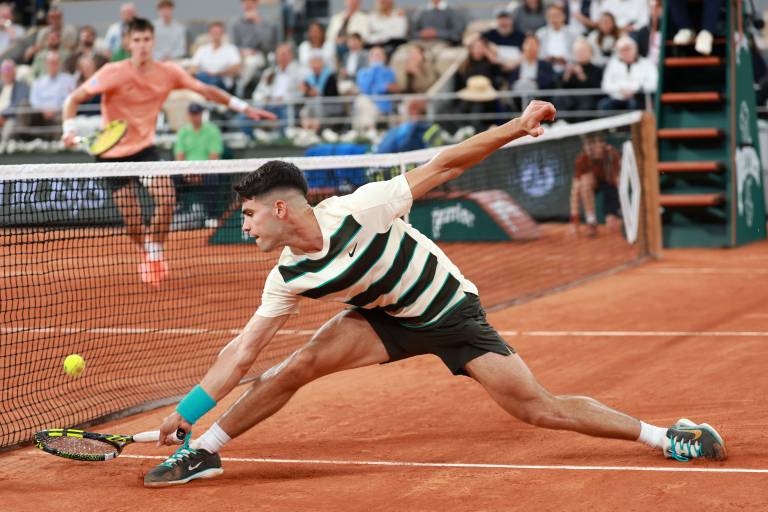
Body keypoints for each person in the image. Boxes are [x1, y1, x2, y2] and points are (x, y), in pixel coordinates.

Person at [143, 99, 727, 488]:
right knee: (297, 365)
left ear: (279, 208)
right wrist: (186, 413)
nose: (243, 226)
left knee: (537, 408)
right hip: (379, 316)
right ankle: (206, 450)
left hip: (448, 310)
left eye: (248, 215)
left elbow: (445, 164)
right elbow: (241, 354)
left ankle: (664, 435)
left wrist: (518, 127)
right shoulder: (285, 277)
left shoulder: (362, 209)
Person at [61, 17, 275, 287]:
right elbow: (73, 99)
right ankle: (147, 250)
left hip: (144, 150)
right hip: (110, 155)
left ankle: (155, 253)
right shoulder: (112, 71)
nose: (142, 45)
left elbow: (205, 89)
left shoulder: (168, 72)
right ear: (128, 43)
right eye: (136, 40)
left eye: (146, 39)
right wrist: (68, 129)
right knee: (133, 222)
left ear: (153, 41)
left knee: (166, 197)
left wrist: (244, 108)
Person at [173, 102, 225, 228]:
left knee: (212, 178)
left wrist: (201, 174)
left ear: (202, 114)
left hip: (207, 171)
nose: (195, 117)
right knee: (172, 177)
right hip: (187, 172)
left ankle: (211, 216)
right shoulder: (183, 132)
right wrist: (186, 172)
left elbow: (214, 157)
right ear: (189, 115)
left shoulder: (212, 130)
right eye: (192, 114)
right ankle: (175, 209)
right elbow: (179, 156)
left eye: (197, 114)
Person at [569, 132, 621, 236]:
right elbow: (575, 192)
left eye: (593, 143)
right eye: (587, 144)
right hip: (594, 184)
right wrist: (574, 224)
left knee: (612, 224)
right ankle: (591, 221)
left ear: (601, 143)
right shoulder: (581, 159)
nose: (590, 148)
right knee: (581, 184)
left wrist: (614, 211)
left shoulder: (612, 154)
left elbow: (618, 182)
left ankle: (617, 217)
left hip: (611, 184)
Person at [227, 0, 278, 96]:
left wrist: (257, 24)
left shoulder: (265, 23)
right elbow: (232, 46)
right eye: (245, 3)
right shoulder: (236, 23)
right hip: (239, 55)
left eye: (251, 2)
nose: (248, 5)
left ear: (256, 4)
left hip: (258, 55)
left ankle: (240, 88)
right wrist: (242, 52)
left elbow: (267, 45)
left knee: (251, 62)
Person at [598, 35, 657, 111]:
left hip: (638, 98)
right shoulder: (612, 64)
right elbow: (605, 85)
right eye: (622, 50)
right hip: (617, 98)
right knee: (604, 105)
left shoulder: (647, 64)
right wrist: (621, 89)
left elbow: (654, 84)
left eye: (628, 49)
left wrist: (635, 89)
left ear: (635, 48)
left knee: (634, 105)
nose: (625, 52)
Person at [28, 51, 75, 140]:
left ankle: (59, 148)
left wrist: (54, 110)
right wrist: (43, 110)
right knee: (25, 107)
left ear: (60, 64)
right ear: (46, 64)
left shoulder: (69, 80)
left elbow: (69, 100)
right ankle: (18, 143)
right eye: (50, 63)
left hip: (58, 112)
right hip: (40, 113)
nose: (52, 65)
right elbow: (33, 101)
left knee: (62, 118)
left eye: (55, 63)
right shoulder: (38, 82)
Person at [191, 21, 241, 91]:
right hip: (204, 80)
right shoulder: (202, 49)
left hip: (222, 82)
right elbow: (193, 67)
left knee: (213, 82)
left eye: (218, 32)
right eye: (214, 32)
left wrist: (216, 74)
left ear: (223, 34)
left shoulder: (231, 49)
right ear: (209, 33)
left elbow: (236, 68)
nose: (216, 35)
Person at [557, 38, 603, 112]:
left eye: (583, 51)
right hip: (570, 98)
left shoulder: (597, 70)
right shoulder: (569, 68)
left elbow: (596, 91)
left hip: (588, 100)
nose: (580, 54)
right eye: (578, 52)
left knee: (586, 103)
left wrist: (581, 75)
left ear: (590, 52)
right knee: (560, 99)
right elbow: (561, 88)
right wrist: (567, 75)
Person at [535, 4, 577, 75]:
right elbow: (536, 53)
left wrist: (565, 60)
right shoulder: (540, 34)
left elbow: (577, 53)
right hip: (545, 69)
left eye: (557, 15)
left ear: (564, 16)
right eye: (550, 16)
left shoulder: (572, 33)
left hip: (568, 68)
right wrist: (547, 59)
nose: (554, 19)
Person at [0, 59, 30, 142]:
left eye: (9, 69)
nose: (7, 72)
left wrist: (2, 115)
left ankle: (3, 152)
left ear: (14, 72)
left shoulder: (22, 86)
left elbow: (18, 103)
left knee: (10, 127)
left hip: (11, 118)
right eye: (4, 70)